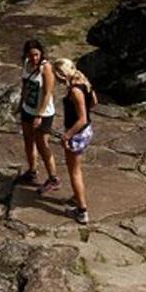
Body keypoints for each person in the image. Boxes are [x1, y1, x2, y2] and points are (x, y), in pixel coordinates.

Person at [54, 58, 96, 225]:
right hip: (85, 132)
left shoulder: (75, 91)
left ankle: (82, 210)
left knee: (74, 172)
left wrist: (67, 135)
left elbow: (82, 119)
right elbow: (94, 101)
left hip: (77, 133)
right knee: (77, 169)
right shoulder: (84, 82)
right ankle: (77, 197)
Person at [18, 39, 59, 193]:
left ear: (41, 53)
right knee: (28, 140)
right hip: (27, 108)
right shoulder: (27, 64)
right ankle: (32, 170)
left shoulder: (46, 68)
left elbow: (48, 92)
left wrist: (40, 115)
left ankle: (53, 178)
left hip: (43, 113)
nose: (34, 58)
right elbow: (24, 85)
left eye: (36, 54)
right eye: (31, 55)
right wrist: (21, 103)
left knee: (42, 145)